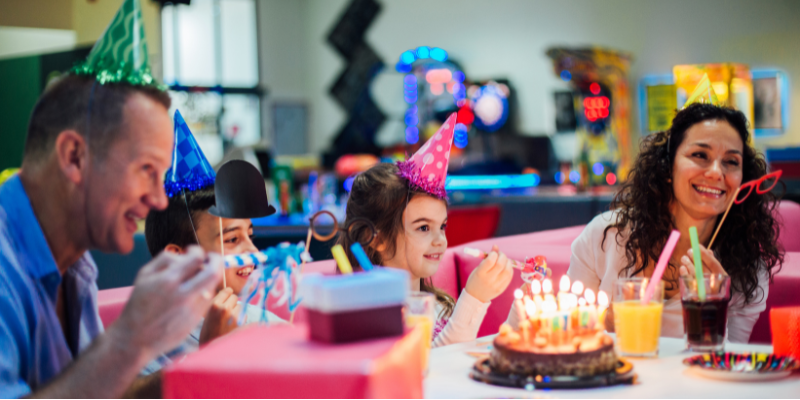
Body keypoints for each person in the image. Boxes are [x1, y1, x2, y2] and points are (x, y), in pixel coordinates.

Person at [0, 1, 222, 396]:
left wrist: (200, 364)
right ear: (74, 156)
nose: (157, 200)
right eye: (146, 171)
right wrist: (128, 341)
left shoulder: (77, 264)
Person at [567, 102, 784, 342]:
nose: (715, 172)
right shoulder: (604, 237)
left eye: (731, 161)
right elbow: (568, 335)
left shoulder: (748, 270)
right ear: (668, 167)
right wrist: (608, 320)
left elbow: (725, 368)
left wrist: (712, 308)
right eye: (700, 155)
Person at [338, 114, 513, 348]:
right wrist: (474, 299)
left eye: (442, 226)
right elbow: (424, 369)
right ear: (375, 239)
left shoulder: (440, 305)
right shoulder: (369, 315)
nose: (440, 240)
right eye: (423, 227)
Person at [142, 183, 285, 374]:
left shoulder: (264, 324)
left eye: (250, 236)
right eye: (233, 239)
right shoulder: (144, 350)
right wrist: (208, 353)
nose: (254, 251)